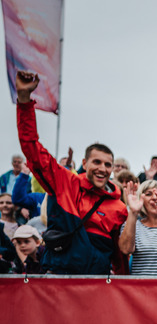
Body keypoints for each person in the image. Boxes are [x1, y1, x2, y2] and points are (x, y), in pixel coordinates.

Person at [15, 70, 128, 275]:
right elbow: (31, 148)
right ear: (85, 162)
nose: (102, 169)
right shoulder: (65, 183)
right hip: (58, 282)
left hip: (97, 285)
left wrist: (123, 288)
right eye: (96, 162)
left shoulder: (119, 207)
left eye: (108, 165)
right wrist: (24, 101)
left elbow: (119, 255)